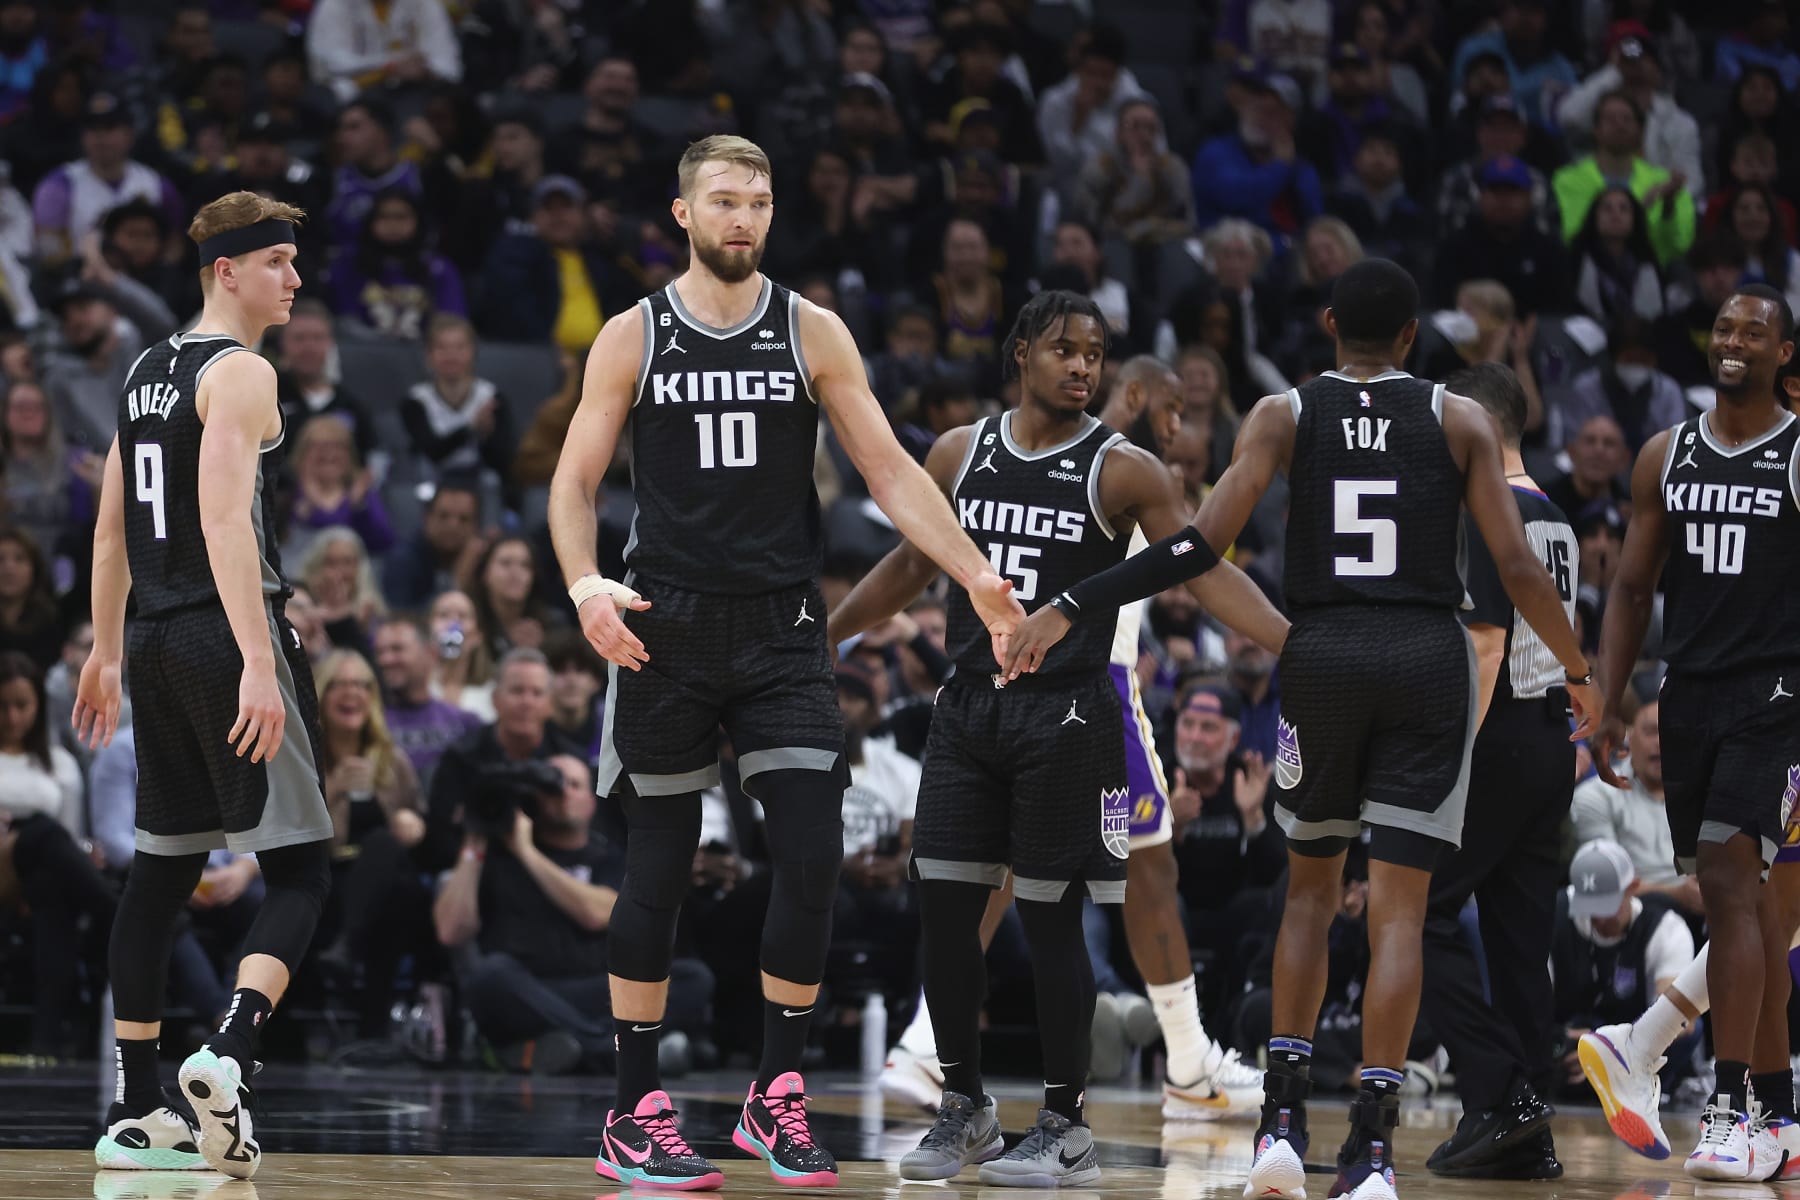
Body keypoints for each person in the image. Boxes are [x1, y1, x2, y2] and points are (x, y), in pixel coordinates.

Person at [1002, 258, 1598, 1200]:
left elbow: (1197, 546)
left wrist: (1076, 599)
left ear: (1328, 325)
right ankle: (1368, 1149)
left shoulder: (1281, 412)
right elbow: (1520, 572)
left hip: (1319, 658)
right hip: (1422, 659)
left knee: (1310, 897)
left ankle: (1280, 1126)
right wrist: (1581, 669)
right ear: (1413, 337)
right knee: (1401, 911)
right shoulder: (1460, 418)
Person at [547, 134, 1027, 1191]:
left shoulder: (812, 329)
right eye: (723, 200)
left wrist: (977, 575)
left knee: (811, 855)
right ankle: (632, 1112)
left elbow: (892, 471)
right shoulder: (634, 336)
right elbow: (574, 484)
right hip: (661, 625)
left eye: (759, 202)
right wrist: (585, 584)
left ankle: (777, 1093)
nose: (743, 219)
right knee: (659, 869)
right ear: (682, 212)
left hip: (779, 631)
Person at [827, 289, 1288, 1185]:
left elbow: (1201, 565)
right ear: (1021, 352)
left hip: (1069, 715)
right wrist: (827, 636)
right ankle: (963, 1106)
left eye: (1095, 352)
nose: (1082, 366)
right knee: (949, 915)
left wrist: (1292, 642)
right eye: (1065, 349)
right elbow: (912, 562)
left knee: (1050, 921)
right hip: (968, 708)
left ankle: (1066, 1123)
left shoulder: (1126, 470)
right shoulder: (960, 452)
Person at [73, 191, 333, 1180]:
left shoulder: (146, 373)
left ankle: (138, 1111)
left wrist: (104, 653)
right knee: (304, 871)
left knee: (161, 872)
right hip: (229, 632)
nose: (295, 281)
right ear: (228, 271)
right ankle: (229, 1047)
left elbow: (110, 534)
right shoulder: (243, 374)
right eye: (277, 263)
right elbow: (226, 522)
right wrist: (261, 661)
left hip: (154, 641)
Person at [1589, 283, 1800, 1181]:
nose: (1736, 341)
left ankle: (1729, 1104)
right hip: (1690, 694)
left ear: (1785, 354)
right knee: (1758, 909)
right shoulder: (1664, 454)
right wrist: (1603, 698)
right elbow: (1633, 590)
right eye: (1724, 327)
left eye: (1756, 331)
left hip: (1781, 695)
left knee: (1733, 885)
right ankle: (1778, 1114)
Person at [1416, 361, 1579, 1181]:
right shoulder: (1557, 513)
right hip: (1552, 740)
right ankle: (1528, 1127)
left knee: (1414, 915)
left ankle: (1500, 1090)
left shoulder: (1489, 505)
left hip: (1500, 729)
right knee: (1520, 942)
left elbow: (1484, 640)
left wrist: (1451, 755)